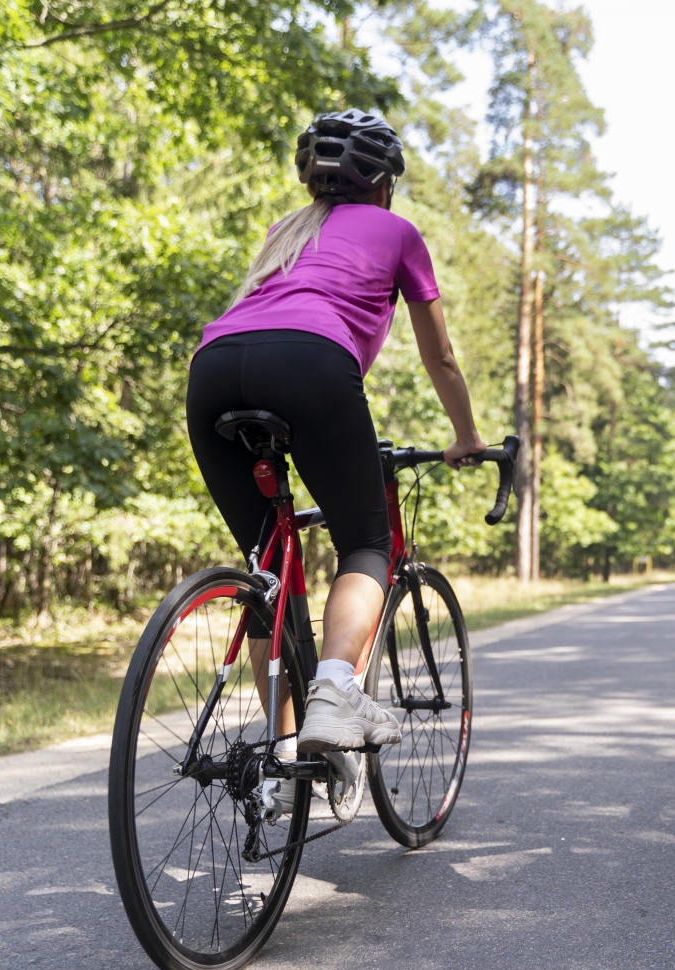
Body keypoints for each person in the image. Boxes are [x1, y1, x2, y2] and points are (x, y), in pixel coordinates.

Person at [187, 110, 488, 796]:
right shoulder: (397, 231)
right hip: (312, 365)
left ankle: (282, 754)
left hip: (213, 369)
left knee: (267, 566)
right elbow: (440, 356)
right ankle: (332, 693)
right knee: (366, 545)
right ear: (383, 183)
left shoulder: (286, 230)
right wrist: (467, 436)